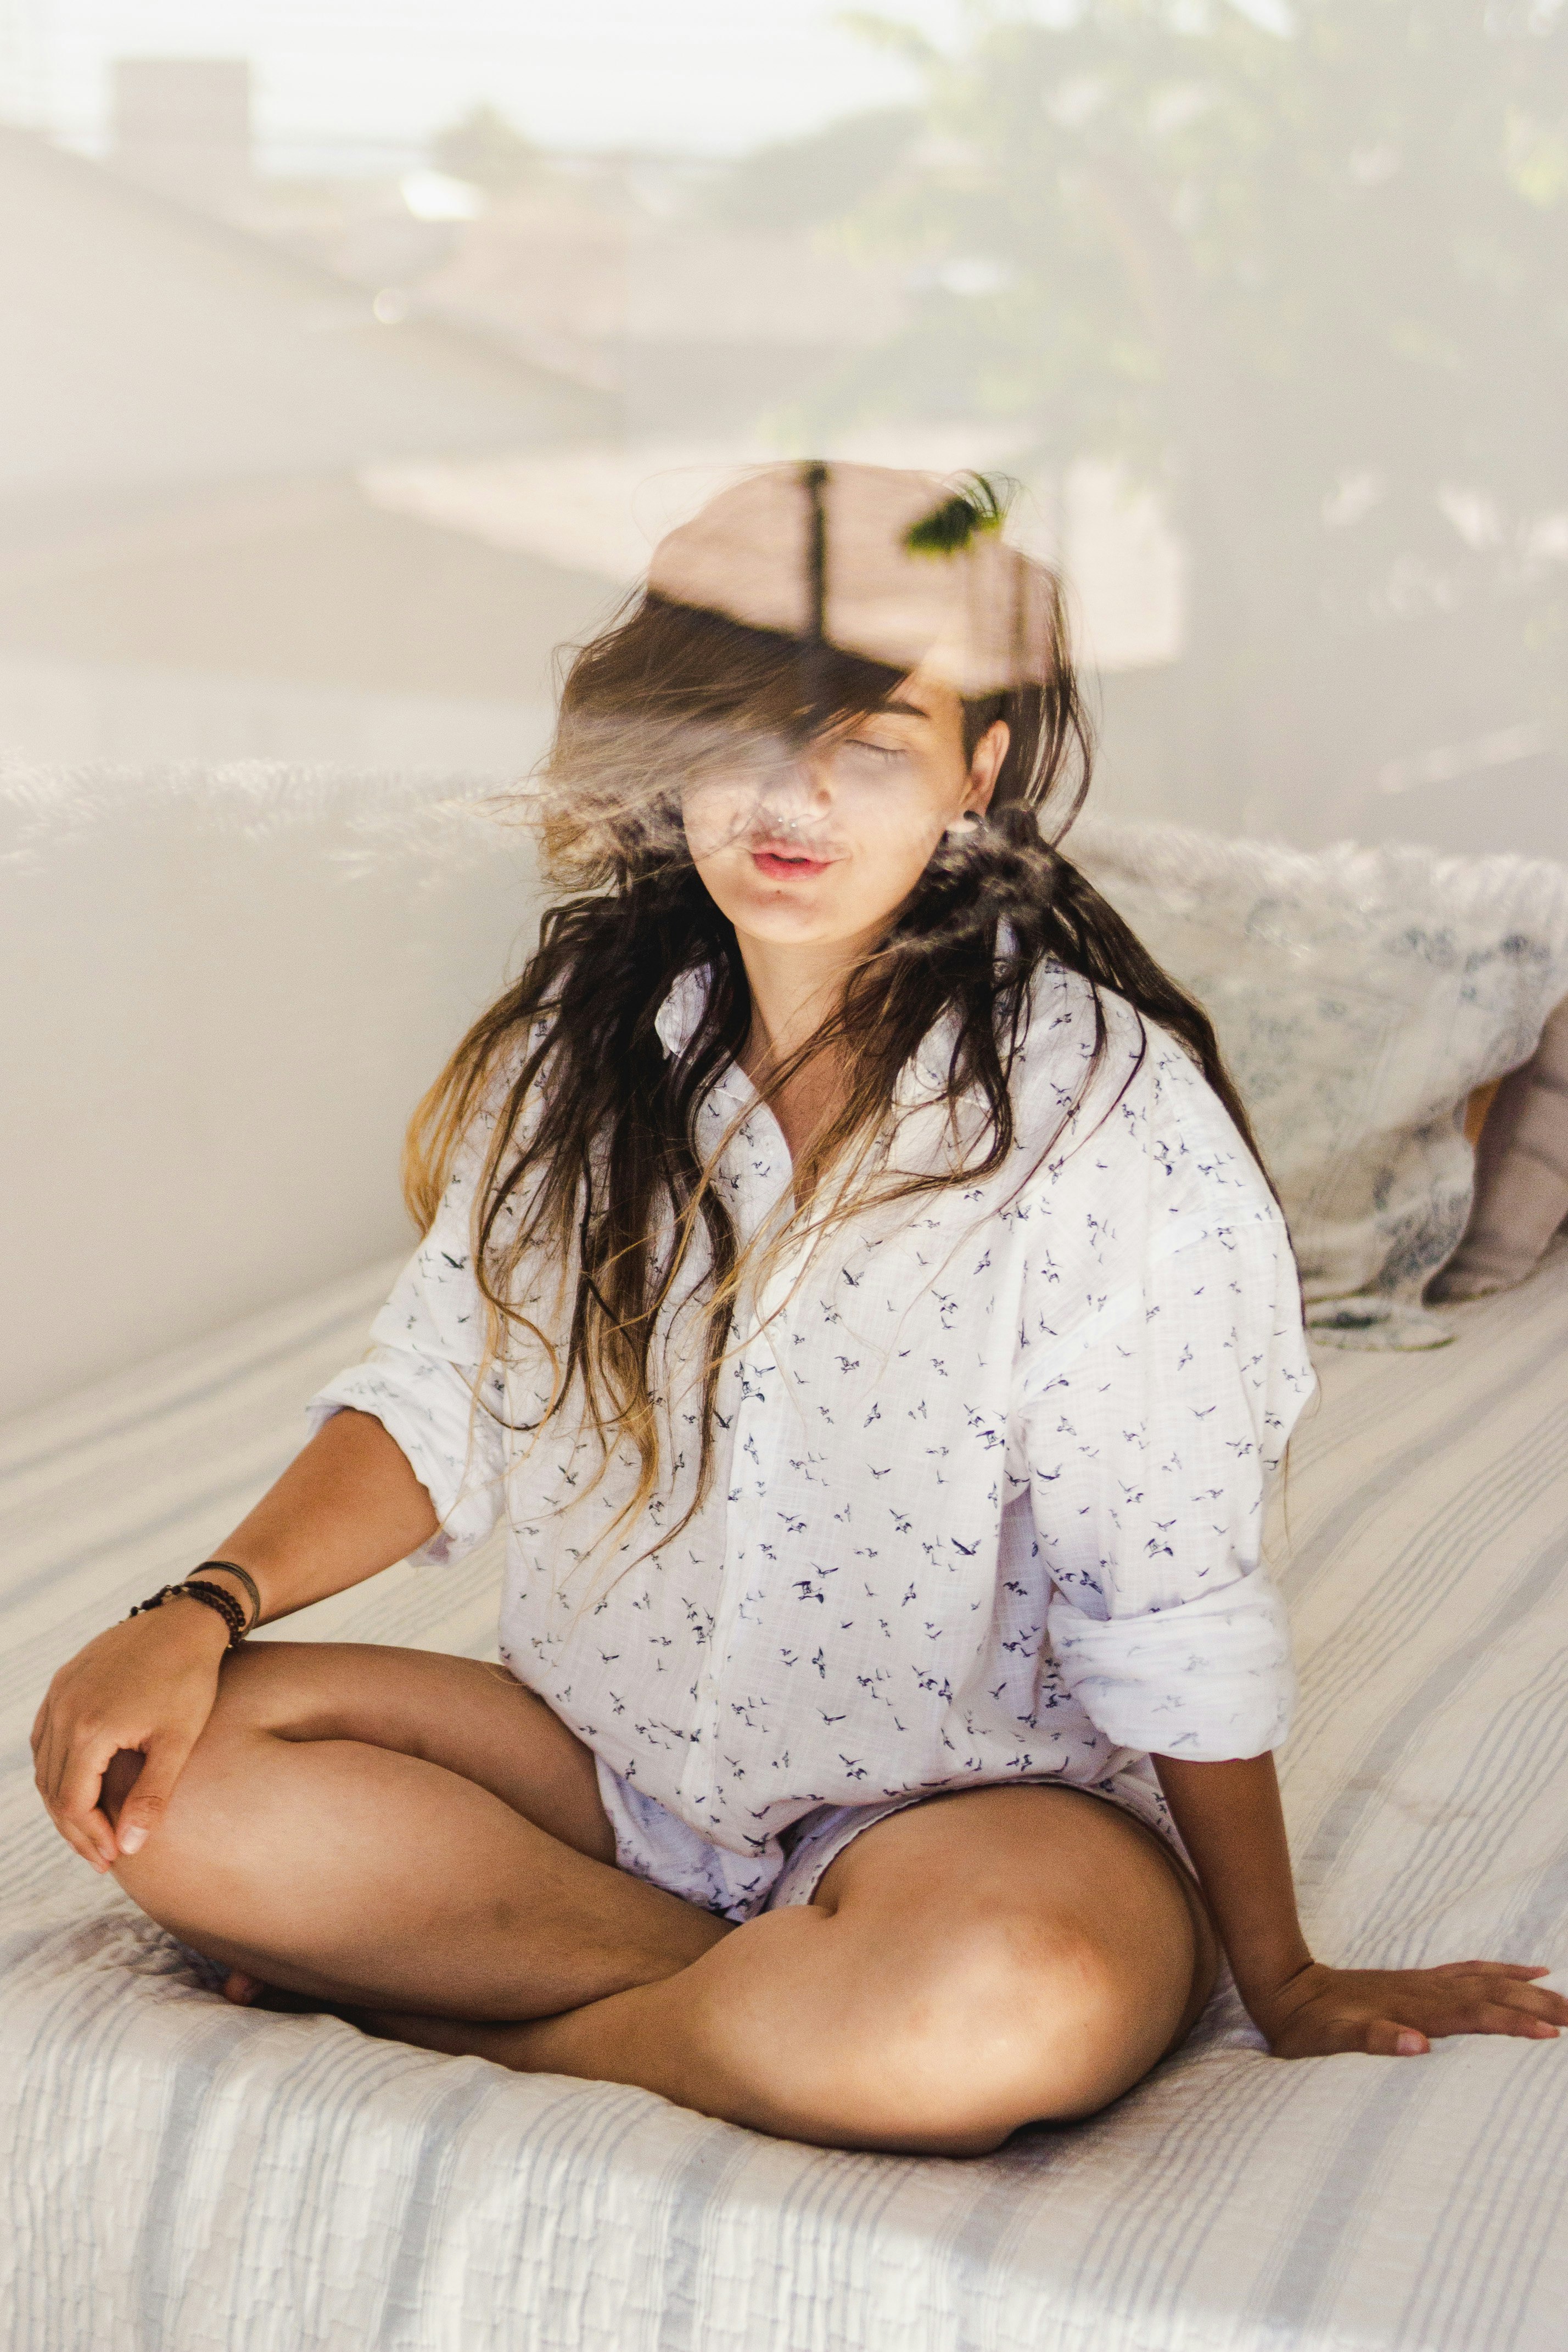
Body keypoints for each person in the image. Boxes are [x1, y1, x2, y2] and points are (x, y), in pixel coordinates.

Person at [33, 464, 1564, 2158]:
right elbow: (439, 1391)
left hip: (968, 1809)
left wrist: (1278, 1970)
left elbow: (1173, 1597)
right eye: (747, 730)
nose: (794, 796)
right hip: (608, 1772)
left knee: (1002, 1996)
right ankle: (730, 1993)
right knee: (160, 1786)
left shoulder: (1108, 1118)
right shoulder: (593, 1051)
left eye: (871, 744)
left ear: (978, 775)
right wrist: (199, 1605)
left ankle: (490, 2008)